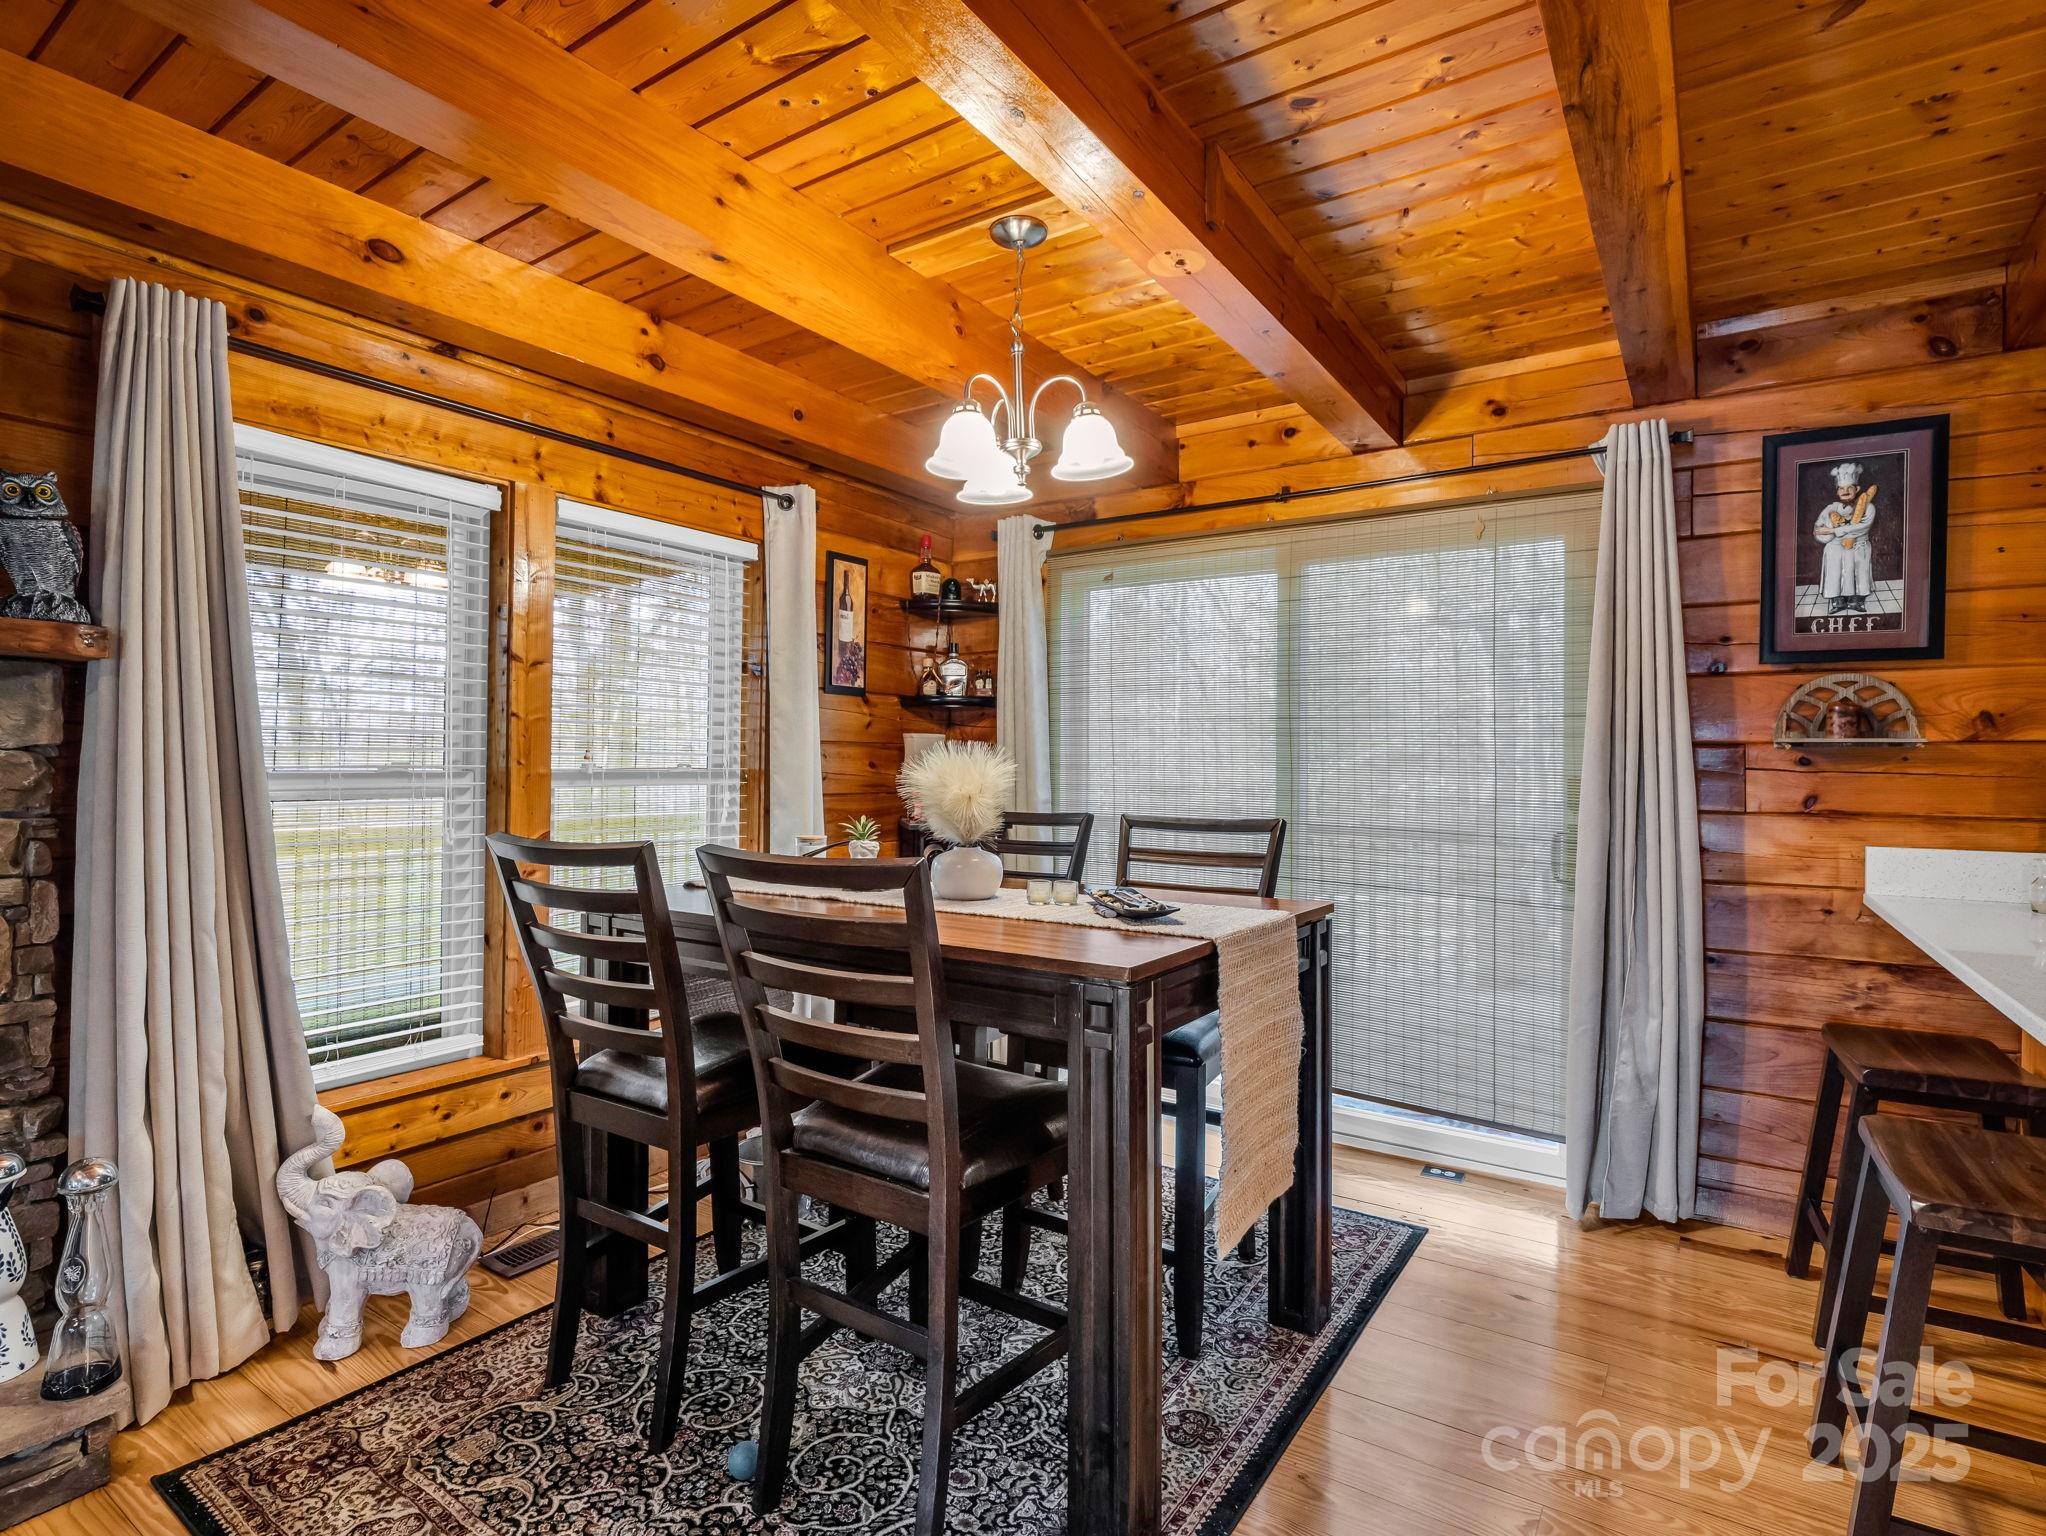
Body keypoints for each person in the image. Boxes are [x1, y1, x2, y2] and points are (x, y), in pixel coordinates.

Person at [1813, 461, 1876, 614]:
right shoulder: (1830, 508)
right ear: (1837, 491)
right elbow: (1817, 529)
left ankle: (1856, 601)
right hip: (1835, 548)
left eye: (1849, 488)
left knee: (1858, 572)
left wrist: (1834, 530)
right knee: (1835, 572)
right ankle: (1837, 601)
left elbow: (1862, 527)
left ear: (1857, 489)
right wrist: (1827, 531)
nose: (1845, 491)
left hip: (1859, 546)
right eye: (1841, 488)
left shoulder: (1868, 507)